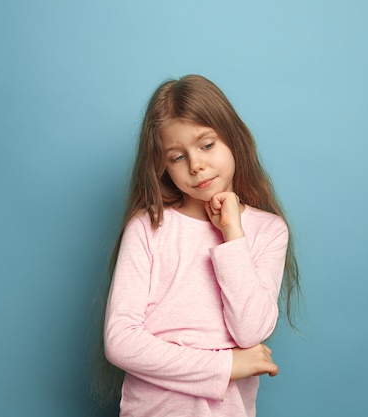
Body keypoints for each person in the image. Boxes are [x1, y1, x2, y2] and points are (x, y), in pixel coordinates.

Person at [100, 74, 300, 416]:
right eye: (177, 157)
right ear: (162, 166)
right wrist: (223, 367)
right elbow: (121, 341)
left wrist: (233, 233)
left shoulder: (268, 230)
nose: (197, 165)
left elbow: (251, 330)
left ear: (234, 139)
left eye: (207, 145)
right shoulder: (149, 228)